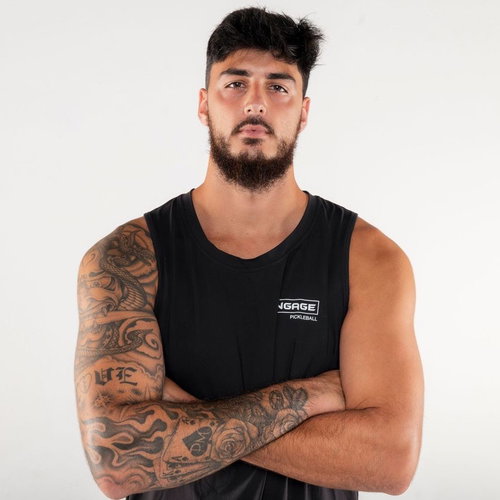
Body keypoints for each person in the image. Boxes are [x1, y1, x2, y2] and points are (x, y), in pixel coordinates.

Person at [75, 7, 424, 500]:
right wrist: (309, 397)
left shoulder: (369, 260)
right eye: (235, 84)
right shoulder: (127, 259)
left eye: (278, 87)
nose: (256, 103)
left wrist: (182, 413)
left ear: (304, 111)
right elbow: (117, 460)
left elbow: (390, 462)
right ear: (204, 104)